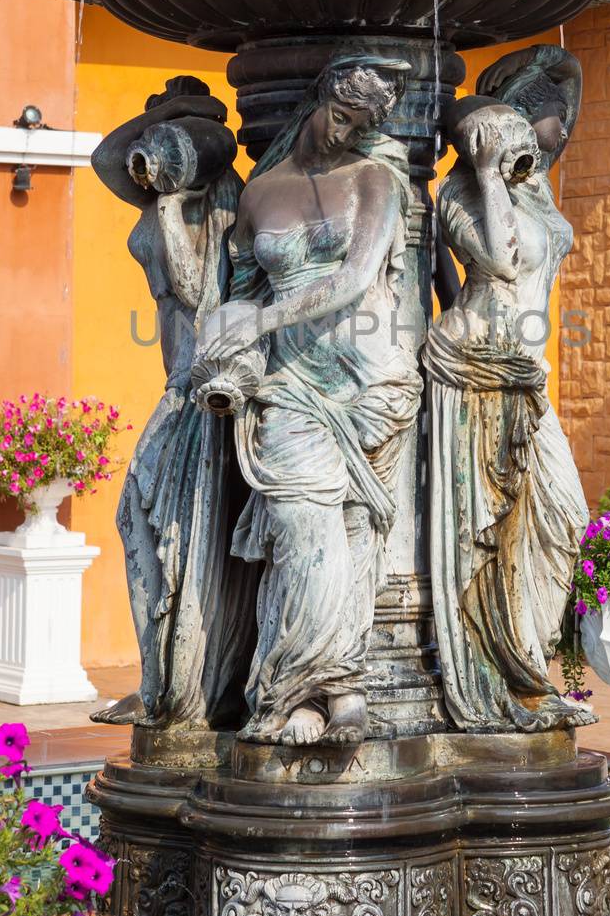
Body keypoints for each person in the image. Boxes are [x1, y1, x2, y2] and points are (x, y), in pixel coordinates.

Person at [194, 53, 421, 747]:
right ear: (318, 98)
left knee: (353, 536)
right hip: (290, 381)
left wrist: (262, 319)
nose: (342, 134)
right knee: (300, 531)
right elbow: (237, 289)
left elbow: (355, 281)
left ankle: (337, 693)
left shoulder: (376, 179)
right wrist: (229, 338)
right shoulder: (262, 193)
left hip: (369, 376)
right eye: (339, 115)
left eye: (360, 126)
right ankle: (302, 685)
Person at [425, 47, 593, 732]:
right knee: (490, 528)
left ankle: (525, 660)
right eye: (546, 120)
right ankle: (502, 675)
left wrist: (556, 63)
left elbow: (570, 81)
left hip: (528, 371)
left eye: (552, 122)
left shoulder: (539, 192)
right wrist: (490, 174)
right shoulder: (460, 193)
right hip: (481, 363)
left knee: (562, 519)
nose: (558, 132)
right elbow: (494, 260)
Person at [89, 79, 253, 727]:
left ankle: (178, 688)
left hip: (201, 392)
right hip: (176, 390)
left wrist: (170, 199)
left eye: (179, 133)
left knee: (165, 533)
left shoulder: (218, 200)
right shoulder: (166, 187)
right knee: (142, 526)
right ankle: (160, 679)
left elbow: (194, 294)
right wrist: (165, 143)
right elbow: (107, 158)